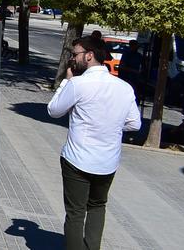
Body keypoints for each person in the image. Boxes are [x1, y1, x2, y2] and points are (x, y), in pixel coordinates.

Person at [48, 36, 142, 250]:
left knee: (75, 213)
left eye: (75, 55)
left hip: (78, 160)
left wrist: (66, 81)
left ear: (89, 55)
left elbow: (54, 110)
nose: (72, 59)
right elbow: (134, 124)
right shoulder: (124, 88)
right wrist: (111, 124)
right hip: (107, 162)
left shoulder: (78, 84)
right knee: (98, 206)